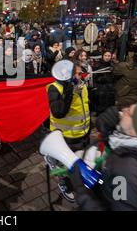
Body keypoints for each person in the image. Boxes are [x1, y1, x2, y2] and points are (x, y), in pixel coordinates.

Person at [47, 61, 90, 202]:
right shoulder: (54, 88)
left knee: (79, 163)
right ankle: (64, 183)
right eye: (77, 74)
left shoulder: (81, 86)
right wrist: (70, 93)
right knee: (65, 166)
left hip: (82, 133)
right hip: (66, 136)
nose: (81, 76)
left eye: (80, 73)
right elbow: (59, 112)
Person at [92, 51, 116, 115]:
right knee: (100, 106)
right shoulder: (97, 65)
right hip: (100, 89)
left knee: (109, 105)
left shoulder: (113, 65)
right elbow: (94, 77)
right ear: (102, 56)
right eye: (105, 55)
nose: (107, 57)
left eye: (109, 56)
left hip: (110, 89)